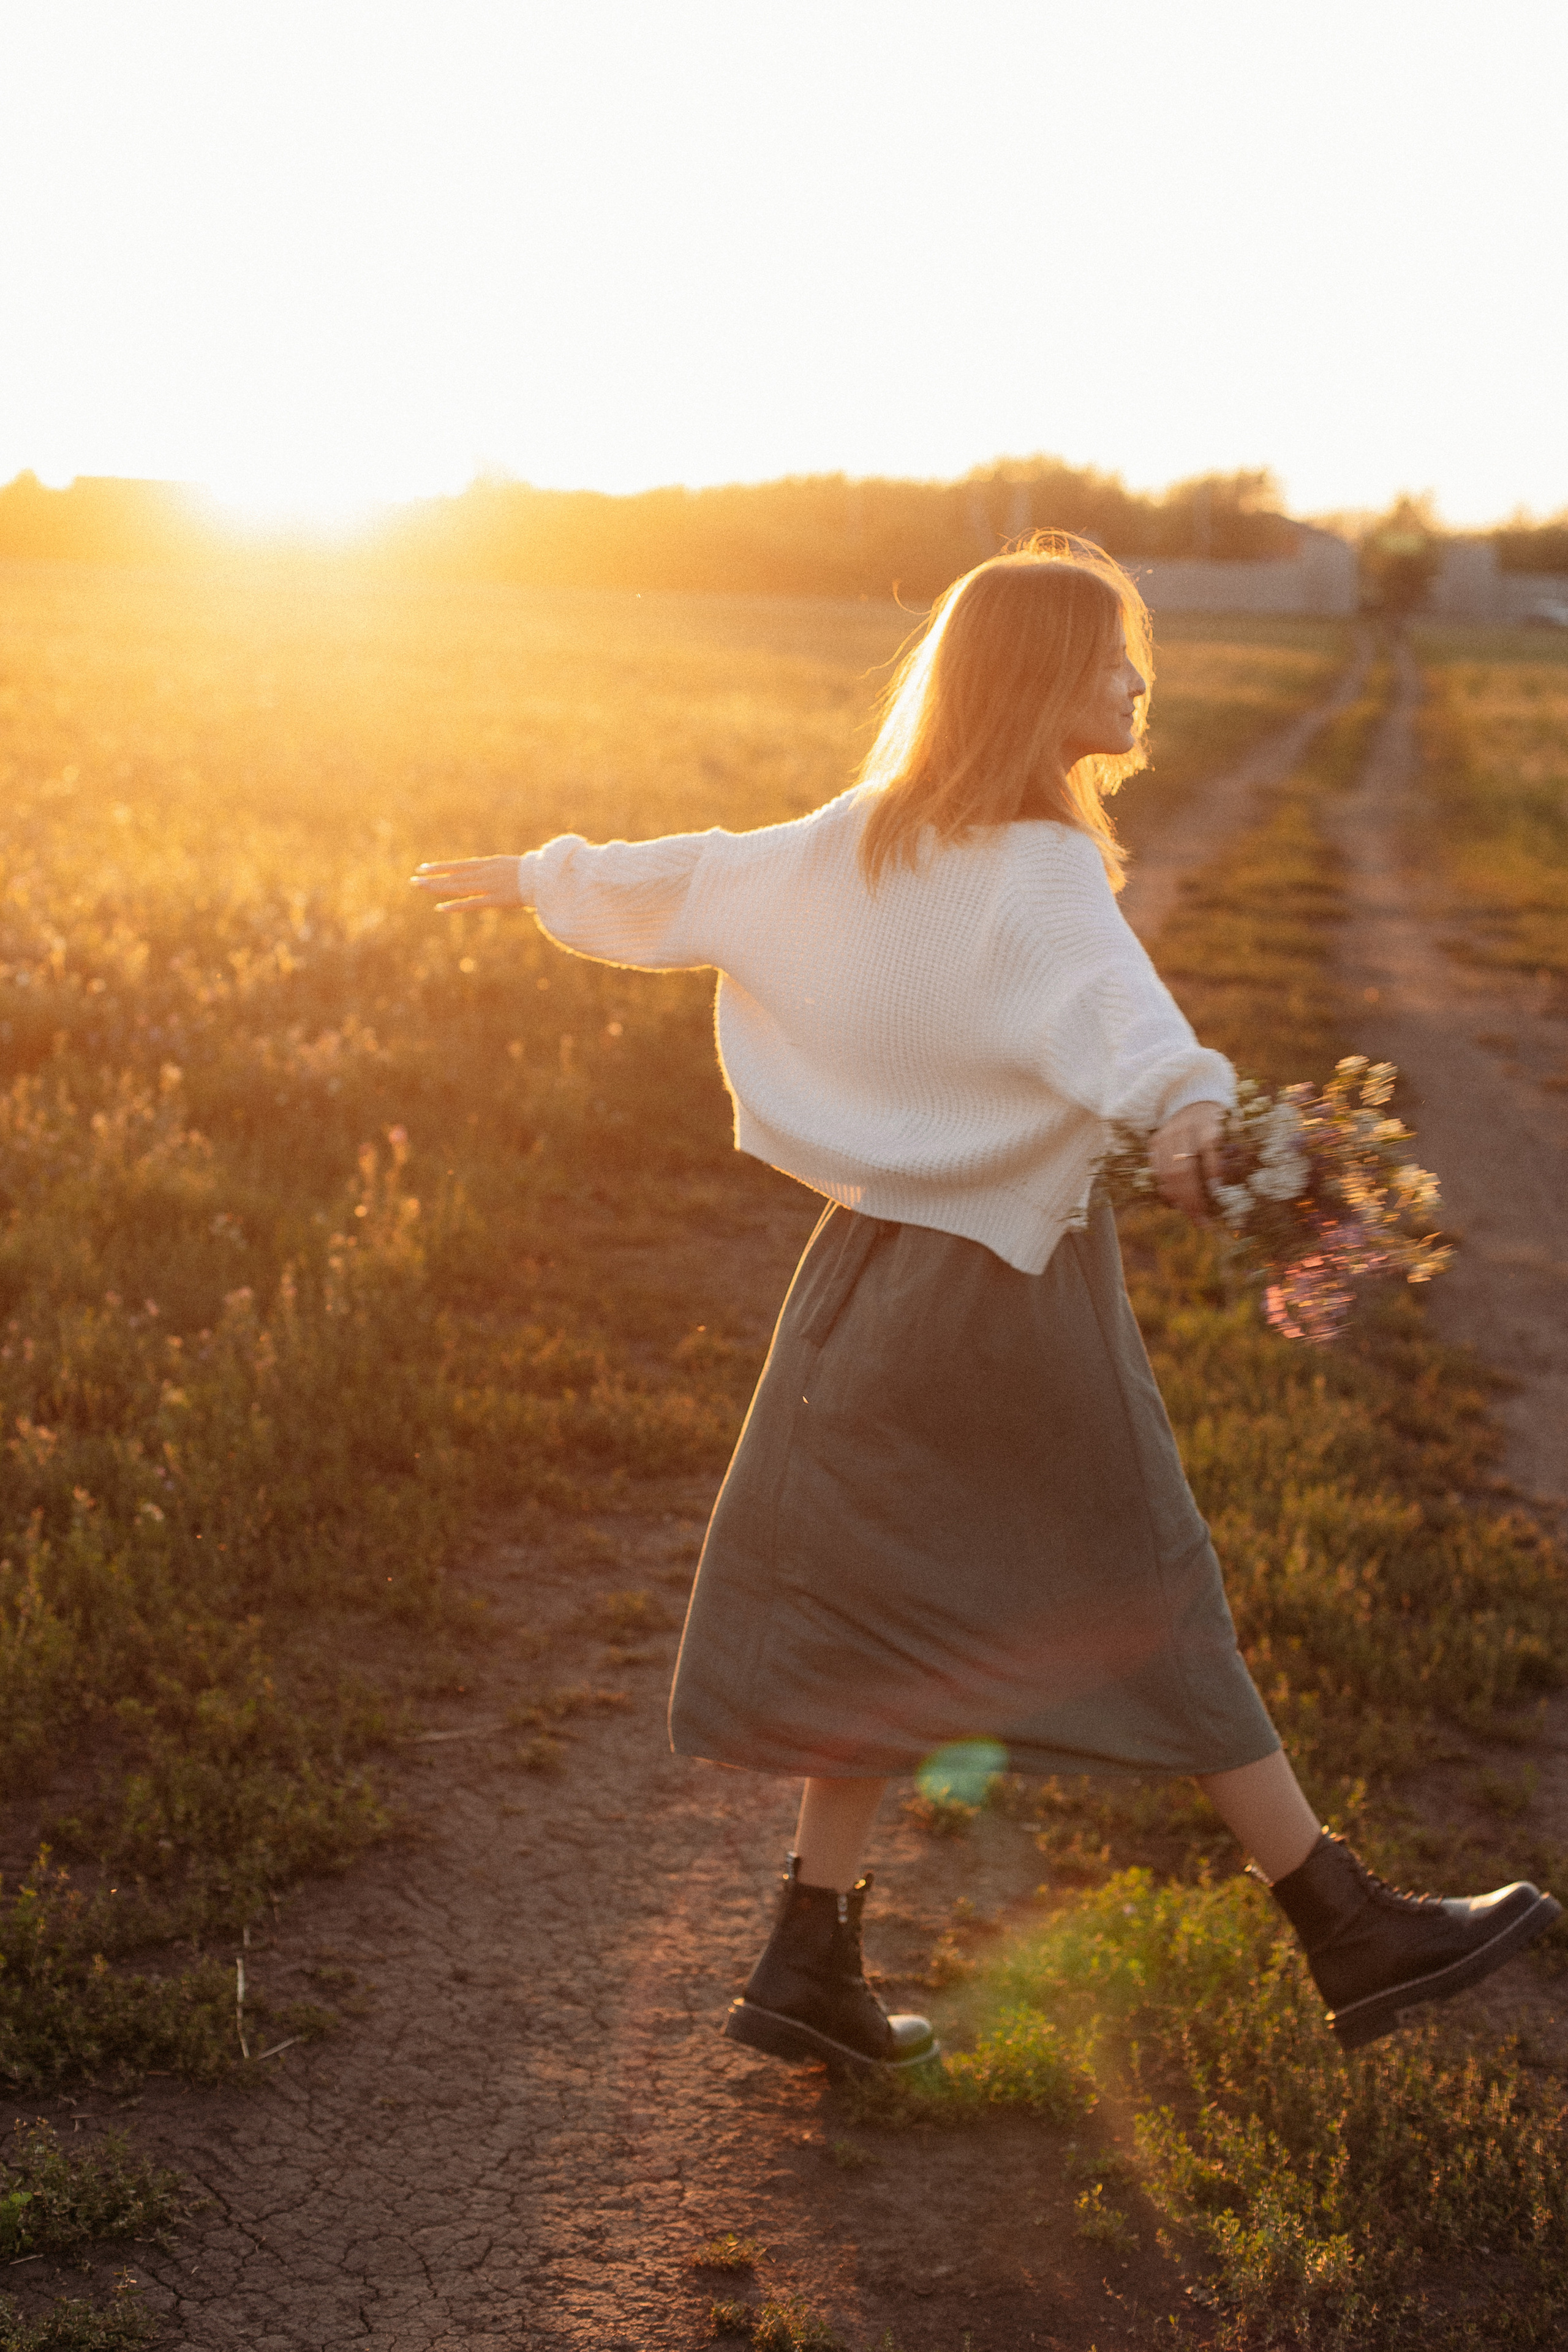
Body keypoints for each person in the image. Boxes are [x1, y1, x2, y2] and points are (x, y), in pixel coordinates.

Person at [413, 540, 1558, 2074]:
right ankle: (1340, 1922)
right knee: (1149, 1577)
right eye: (1105, 659)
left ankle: (808, 1954)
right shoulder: (1036, 861)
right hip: (1008, 1286)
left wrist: (543, 877)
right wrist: (1197, 1116)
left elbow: (696, 871)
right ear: (1032, 683)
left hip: (864, 1283)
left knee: (873, 1601)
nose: (1135, 681)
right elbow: (1118, 1017)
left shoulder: (855, 838)